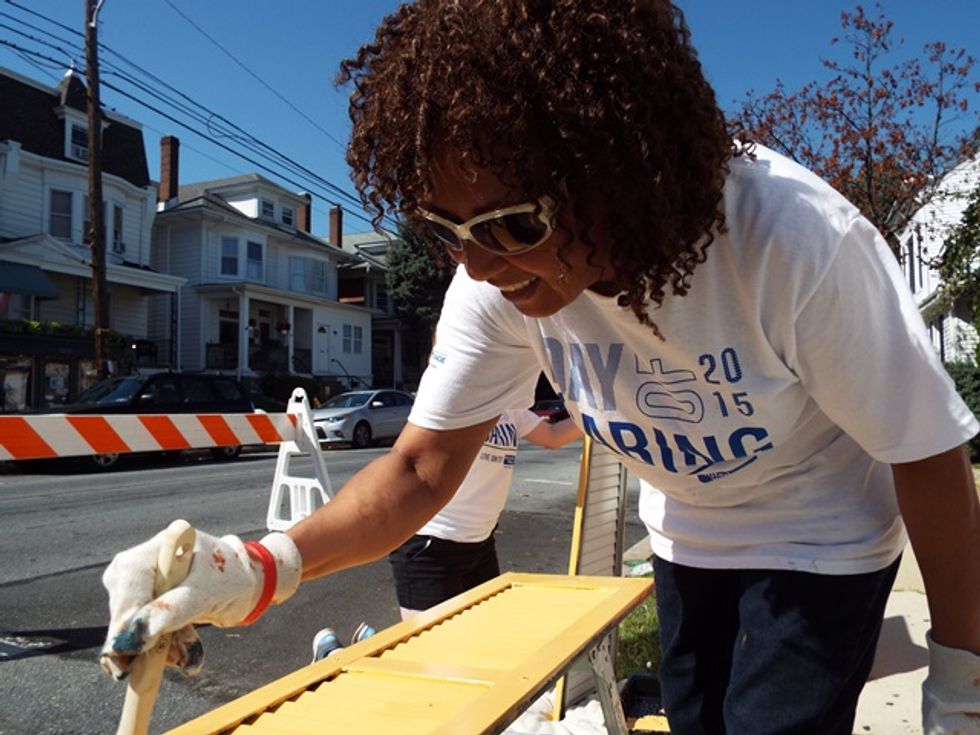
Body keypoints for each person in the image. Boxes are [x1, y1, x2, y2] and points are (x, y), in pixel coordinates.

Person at [99, 2, 980, 733]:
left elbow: (928, 454)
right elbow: (418, 467)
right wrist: (256, 566)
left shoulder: (793, 244)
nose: (480, 263)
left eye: (515, 224)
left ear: (621, 170)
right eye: (447, 230)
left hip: (820, 529)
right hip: (688, 530)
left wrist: (960, 681)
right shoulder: (493, 280)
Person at [388, 408, 581, 619]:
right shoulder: (460, 393)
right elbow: (403, 457)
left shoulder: (512, 406)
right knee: (431, 647)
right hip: (432, 545)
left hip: (480, 545)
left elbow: (553, 436)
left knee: (482, 638)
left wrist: (600, 419)